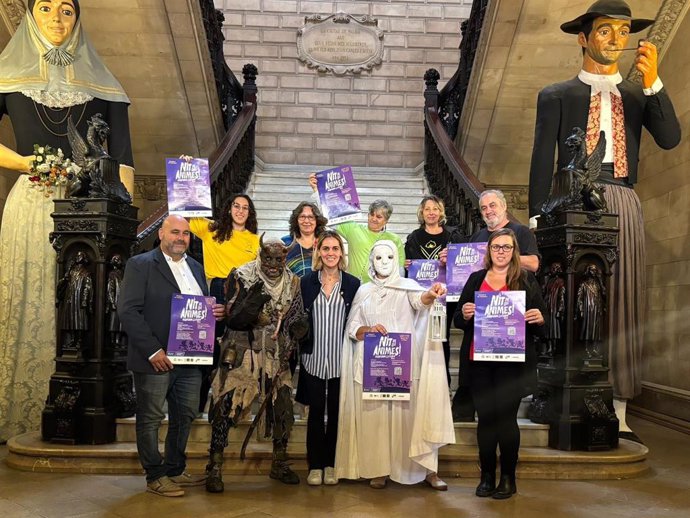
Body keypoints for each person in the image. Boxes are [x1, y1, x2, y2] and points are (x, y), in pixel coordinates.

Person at [527, 0, 681, 440]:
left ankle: (618, 405)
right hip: (571, 198)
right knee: (571, 301)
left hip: (622, 197)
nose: (616, 40)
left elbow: (670, 139)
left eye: (624, 31)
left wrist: (654, 85)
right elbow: (541, 160)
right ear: (584, 37)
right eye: (605, 31)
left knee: (624, 299)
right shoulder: (556, 95)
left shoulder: (635, 96)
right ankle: (563, 394)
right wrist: (538, 219)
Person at [0, 0, 134, 442]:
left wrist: (122, 219)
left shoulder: (105, 86)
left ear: (78, 18)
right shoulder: (7, 75)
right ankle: (22, 403)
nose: (57, 20)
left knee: (82, 301)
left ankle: (84, 403)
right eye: (45, 9)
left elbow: (125, 162)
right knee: (31, 290)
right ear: (30, 16)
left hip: (92, 209)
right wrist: (28, 163)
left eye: (66, 10)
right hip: (33, 201)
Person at [117, 215, 224, 497]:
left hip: (190, 358)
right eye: (175, 232)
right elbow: (128, 311)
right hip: (156, 358)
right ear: (162, 234)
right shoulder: (140, 265)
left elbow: (199, 308)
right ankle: (155, 475)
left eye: (186, 234)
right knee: (151, 417)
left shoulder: (196, 268)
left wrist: (214, 312)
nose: (181, 238)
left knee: (185, 414)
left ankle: (175, 468)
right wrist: (153, 350)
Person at [335, 240, 454, 490]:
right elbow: (352, 327)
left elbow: (419, 302)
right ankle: (379, 469)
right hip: (373, 367)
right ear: (371, 262)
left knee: (408, 420)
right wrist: (368, 330)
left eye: (389, 257)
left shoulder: (408, 286)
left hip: (402, 365)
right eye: (378, 258)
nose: (384, 263)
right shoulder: (363, 291)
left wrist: (430, 295)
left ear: (396, 259)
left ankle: (421, 469)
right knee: (376, 421)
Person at [205, 237, 308, 492]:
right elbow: (234, 316)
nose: (273, 264)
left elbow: (296, 313)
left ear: (285, 258)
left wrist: (298, 327)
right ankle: (215, 465)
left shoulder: (294, 282)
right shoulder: (241, 275)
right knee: (225, 406)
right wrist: (255, 300)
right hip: (242, 349)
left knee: (282, 406)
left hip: (275, 352)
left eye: (279, 259)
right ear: (261, 255)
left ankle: (279, 462)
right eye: (268, 258)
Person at [454, 228, 547, 499]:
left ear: (514, 251)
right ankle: (486, 476)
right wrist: (465, 313)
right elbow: (459, 320)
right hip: (480, 362)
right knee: (486, 420)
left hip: (512, 364)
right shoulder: (476, 279)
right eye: (497, 247)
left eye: (507, 247)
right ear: (489, 251)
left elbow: (544, 323)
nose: (502, 252)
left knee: (506, 421)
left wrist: (539, 318)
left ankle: (508, 478)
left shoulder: (526, 280)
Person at [447, 189, 540, 422]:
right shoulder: (477, 237)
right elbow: (470, 276)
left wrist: (503, 257)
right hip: (482, 329)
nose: (488, 211)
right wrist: (450, 261)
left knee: (505, 418)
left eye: (493, 206)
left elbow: (535, 263)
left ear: (504, 206)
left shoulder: (521, 232)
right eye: (484, 208)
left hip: (512, 324)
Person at [296, 231, 360, 486]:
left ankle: (332, 463)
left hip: (340, 359)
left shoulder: (353, 284)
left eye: (335, 249)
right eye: (326, 249)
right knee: (314, 414)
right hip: (313, 358)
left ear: (341, 254)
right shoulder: (306, 282)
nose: (331, 253)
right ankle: (315, 465)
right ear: (318, 252)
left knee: (336, 413)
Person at [189, 193, 259, 413]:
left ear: (250, 213)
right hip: (216, 290)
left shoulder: (255, 240)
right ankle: (198, 405)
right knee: (208, 350)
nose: (240, 211)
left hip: (242, 293)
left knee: (239, 350)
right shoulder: (212, 230)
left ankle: (234, 405)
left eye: (245, 208)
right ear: (229, 209)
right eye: (236, 206)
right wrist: (188, 170)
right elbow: (186, 209)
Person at [309, 174, 404, 284]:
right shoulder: (353, 229)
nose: (373, 219)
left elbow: (400, 269)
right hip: (353, 287)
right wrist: (316, 190)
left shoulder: (394, 239)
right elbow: (329, 215)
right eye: (371, 214)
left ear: (386, 220)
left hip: (381, 289)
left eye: (378, 217)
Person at [404, 195, 458, 385]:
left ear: (441, 212)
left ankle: (443, 383)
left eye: (435, 208)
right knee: (420, 335)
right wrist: (406, 264)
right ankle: (419, 380)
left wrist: (451, 258)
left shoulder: (452, 236)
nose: (431, 212)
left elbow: (462, 266)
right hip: (421, 296)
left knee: (441, 337)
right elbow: (407, 268)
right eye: (427, 209)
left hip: (445, 297)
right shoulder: (413, 237)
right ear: (422, 212)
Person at [281, 201, 328, 278]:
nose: (306, 221)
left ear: (317, 220)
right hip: (292, 288)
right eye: (302, 217)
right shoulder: (285, 243)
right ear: (296, 220)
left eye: (311, 217)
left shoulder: (325, 242)